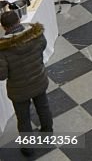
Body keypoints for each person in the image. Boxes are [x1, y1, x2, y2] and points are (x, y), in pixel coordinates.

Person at [0, 10, 52, 157]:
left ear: (3, 27)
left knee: (23, 119)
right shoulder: (36, 35)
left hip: (19, 90)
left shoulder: (3, 50)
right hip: (38, 80)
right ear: (19, 20)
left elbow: (2, 75)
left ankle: (28, 148)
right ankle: (48, 133)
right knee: (43, 107)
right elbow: (42, 47)